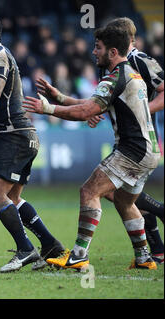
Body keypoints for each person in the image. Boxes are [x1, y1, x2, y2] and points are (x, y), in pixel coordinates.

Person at [23, 25, 161, 270]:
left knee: (89, 191)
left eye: (98, 47)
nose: (93, 52)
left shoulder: (117, 76)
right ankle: (144, 258)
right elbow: (92, 103)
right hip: (148, 151)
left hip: (132, 151)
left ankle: (78, 254)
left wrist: (48, 109)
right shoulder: (130, 74)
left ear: (113, 51)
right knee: (124, 202)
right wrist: (61, 98)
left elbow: (87, 110)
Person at [0, 11, 64, 273]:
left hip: (14, 134)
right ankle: (50, 245)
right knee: (12, 198)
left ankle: (26, 249)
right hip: (18, 135)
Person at [88, 17, 164, 265]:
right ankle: (156, 250)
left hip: (141, 139)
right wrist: (96, 110)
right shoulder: (110, 64)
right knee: (121, 196)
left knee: (109, 191)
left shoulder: (140, 60)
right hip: (125, 137)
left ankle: (158, 220)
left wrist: (143, 110)